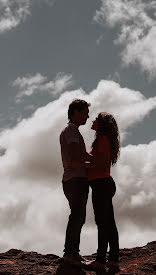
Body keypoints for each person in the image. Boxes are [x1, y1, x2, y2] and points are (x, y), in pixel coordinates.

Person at [80, 112, 121, 272]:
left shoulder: (102, 139)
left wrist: (82, 164)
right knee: (109, 223)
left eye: (96, 119)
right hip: (102, 183)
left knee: (103, 223)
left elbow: (102, 163)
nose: (93, 120)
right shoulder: (102, 139)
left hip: (101, 184)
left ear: (102, 123)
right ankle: (113, 260)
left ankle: (100, 260)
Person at [59, 99, 92, 265]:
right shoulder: (71, 130)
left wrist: (91, 160)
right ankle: (70, 253)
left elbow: (81, 155)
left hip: (76, 179)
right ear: (76, 112)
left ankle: (73, 252)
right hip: (75, 179)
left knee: (79, 216)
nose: (87, 116)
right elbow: (75, 154)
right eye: (85, 112)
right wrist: (94, 162)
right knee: (77, 216)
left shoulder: (73, 131)